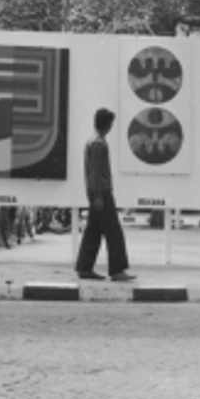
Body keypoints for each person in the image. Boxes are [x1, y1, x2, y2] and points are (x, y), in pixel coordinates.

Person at [75, 107, 134, 281]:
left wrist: (91, 194)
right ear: (107, 125)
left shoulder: (91, 140)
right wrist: (99, 196)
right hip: (102, 193)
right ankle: (117, 270)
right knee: (113, 232)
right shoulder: (99, 143)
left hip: (95, 193)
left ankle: (84, 267)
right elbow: (96, 172)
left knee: (93, 231)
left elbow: (89, 172)